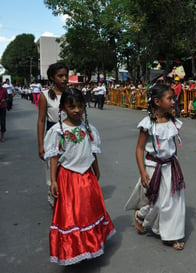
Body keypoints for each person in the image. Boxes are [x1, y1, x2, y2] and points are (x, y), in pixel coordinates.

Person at [44, 88, 115, 265]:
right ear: (63, 109)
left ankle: (89, 246)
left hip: (87, 176)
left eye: (80, 106)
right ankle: (75, 250)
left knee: (88, 211)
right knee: (72, 214)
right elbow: (54, 157)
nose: (76, 110)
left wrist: (96, 169)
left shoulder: (89, 129)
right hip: (68, 177)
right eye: (71, 106)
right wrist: (53, 180)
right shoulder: (58, 131)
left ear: (85, 107)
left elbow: (93, 151)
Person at [124, 84, 186, 250]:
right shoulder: (148, 124)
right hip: (153, 166)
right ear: (157, 101)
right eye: (170, 98)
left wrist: (175, 165)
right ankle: (140, 215)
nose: (173, 101)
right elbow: (139, 149)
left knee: (173, 201)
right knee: (156, 202)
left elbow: (173, 145)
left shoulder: (173, 122)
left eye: (173, 98)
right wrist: (142, 171)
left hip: (170, 166)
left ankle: (171, 235)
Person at [37, 63, 68, 207]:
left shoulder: (71, 94)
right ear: (52, 77)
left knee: (68, 167)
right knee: (52, 167)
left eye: (65, 75)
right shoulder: (45, 96)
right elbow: (41, 120)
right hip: (52, 136)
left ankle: (68, 195)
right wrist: (41, 145)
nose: (64, 79)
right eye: (60, 76)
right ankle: (53, 197)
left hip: (70, 137)